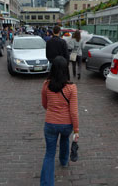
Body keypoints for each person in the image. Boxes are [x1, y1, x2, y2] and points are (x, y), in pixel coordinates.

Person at [40, 56, 79, 186]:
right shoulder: (71, 88)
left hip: (50, 123)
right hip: (66, 124)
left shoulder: (46, 85)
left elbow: (44, 104)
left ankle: (46, 183)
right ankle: (63, 160)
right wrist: (76, 130)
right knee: (64, 139)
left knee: (49, 154)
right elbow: (73, 111)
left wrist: (52, 109)